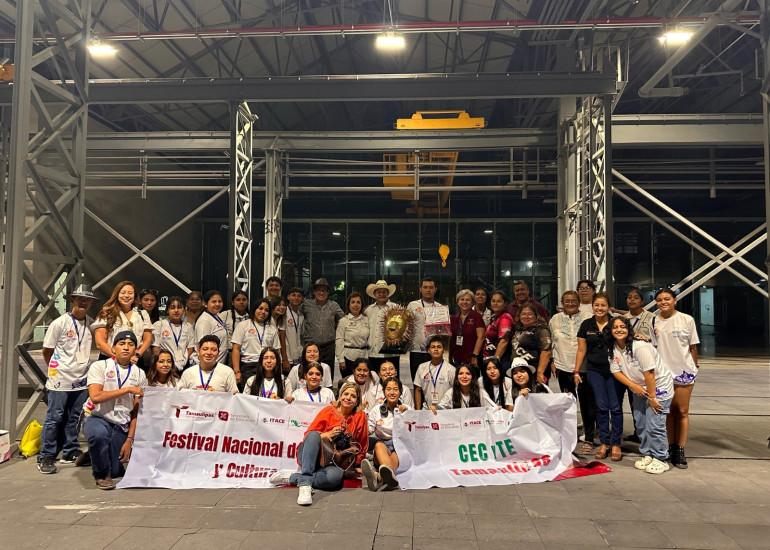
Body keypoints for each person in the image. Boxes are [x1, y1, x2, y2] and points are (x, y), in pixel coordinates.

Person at [270, 382, 368, 506]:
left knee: (335, 479)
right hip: (311, 454)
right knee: (314, 435)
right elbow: (309, 436)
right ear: (340, 396)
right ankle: (305, 486)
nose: (348, 398)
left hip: (333, 462)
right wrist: (328, 434)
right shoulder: (329, 411)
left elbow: (362, 443)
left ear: (357, 401)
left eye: (353, 396)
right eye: (346, 394)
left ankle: (293, 477)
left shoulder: (360, 416)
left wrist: (358, 464)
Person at [38, 284, 96, 474]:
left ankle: (70, 451)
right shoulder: (59, 323)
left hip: (81, 381)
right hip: (60, 380)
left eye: (87, 300)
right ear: (72, 300)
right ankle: (46, 455)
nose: (84, 302)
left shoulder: (90, 323)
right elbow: (47, 351)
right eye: (80, 299)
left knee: (75, 418)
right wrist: (57, 370)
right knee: (54, 418)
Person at [82, 331, 147, 490]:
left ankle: (94, 455)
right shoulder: (100, 366)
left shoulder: (139, 373)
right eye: (121, 344)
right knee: (98, 436)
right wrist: (127, 390)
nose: (126, 347)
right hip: (98, 417)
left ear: (135, 350)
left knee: (117, 470)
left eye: (130, 345)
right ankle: (101, 475)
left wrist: (130, 440)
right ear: (113, 348)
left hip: (121, 423)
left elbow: (136, 411)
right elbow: (95, 396)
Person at [609, 317, 674, 474]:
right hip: (639, 388)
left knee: (655, 424)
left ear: (628, 329)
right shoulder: (613, 348)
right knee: (641, 423)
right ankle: (648, 453)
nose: (619, 329)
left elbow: (650, 373)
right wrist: (634, 386)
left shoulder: (639, 346)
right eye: (615, 327)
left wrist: (652, 398)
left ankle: (661, 458)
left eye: (622, 326)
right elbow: (615, 371)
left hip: (658, 387)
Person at [653, 288, 700, 469]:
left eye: (667, 298)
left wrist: (694, 367)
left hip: (683, 372)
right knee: (668, 412)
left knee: (682, 411)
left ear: (675, 300)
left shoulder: (686, 320)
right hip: (662, 374)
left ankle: (680, 449)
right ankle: (670, 446)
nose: (663, 302)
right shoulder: (653, 321)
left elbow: (693, 347)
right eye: (659, 299)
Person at [575, 293, 623, 461]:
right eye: (597, 305)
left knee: (615, 407)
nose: (599, 308)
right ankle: (604, 442)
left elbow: (626, 337)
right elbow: (581, 350)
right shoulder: (586, 324)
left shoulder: (615, 323)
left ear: (608, 307)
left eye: (603, 305)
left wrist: (640, 336)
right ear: (592, 306)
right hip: (594, 371)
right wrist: (576, 371)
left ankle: (616, 443)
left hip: (615, 371)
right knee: (601, 407)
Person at [550, 290, 595, 453]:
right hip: (562, 366)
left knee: (587, 403)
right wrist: (553, 361)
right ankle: (569, 435)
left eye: (573, 300)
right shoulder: (555, 319)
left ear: (578, 302)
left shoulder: (588, 317)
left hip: (583, 367)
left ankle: (589, 437)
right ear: (562, 303)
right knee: (568, 403)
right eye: (567, 301)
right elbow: (552, 342)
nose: (570, 303)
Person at [361, 376, 409, 491]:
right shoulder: (376, 409)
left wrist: (405, 415)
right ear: (383, 392)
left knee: (398, 452)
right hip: (382, 447)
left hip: (400, 446)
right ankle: (389, 477)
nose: (392, 392)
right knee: (378, 445)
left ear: (400, 392)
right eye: (388, 389)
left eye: (395, 389)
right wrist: (361, 414)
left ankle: (378, 478)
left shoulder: (407, 409)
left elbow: (414, 430)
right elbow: (368, 430)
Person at [92, 281, 153, 368]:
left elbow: (148, 339)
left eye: (130, 293)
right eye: (123, 292)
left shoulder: (142, 314)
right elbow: (100, 343)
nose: (126, 295)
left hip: (135, 360)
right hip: (110, 359)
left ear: (135, 296)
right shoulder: (106, 313)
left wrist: (138, 354)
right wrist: (118, 358)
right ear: (117, 294)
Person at [231, 298, 281, 388]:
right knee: (248, 394)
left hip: (267, 367)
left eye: (266, 310)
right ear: (254, 309)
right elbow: (236, 349)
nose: (263, 312)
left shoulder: (272, 329)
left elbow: (276, 352)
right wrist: (236, 371)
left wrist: (278, 371)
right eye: (260, 308)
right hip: (248, 366)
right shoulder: (243, 325)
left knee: (265, 393)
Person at [407, 277, 449, 381]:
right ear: (420, 289)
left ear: (435, 289)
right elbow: (406, 326)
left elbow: (445, 332)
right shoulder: (412, 305)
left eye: (431, 287)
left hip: (434, 351)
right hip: (416, 350)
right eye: (425, 287)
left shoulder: (441, 308)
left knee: (434, 381)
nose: (428, 290)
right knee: (417, 381)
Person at [301, 278, 344, 367]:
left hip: (329, 347)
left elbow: (343, 320)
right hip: (311, 346)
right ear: (314, 292)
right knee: (310, 371)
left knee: (328, 371)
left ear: (328, 293)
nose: (321, 293)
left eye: (324, 290)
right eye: (318, 290)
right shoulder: (306, 304)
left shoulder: (334, 305)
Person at [511, 303, 553, 385]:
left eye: (530, 314)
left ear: (536, 316)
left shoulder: (541, 330)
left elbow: (546, 352)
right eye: (523, 314)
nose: (526, 316)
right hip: (519, 371)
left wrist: (540, 372)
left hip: (534, 371)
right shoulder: (518, 330)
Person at [364, 279, 400, 373]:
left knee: (391, 379)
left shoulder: (396, 308)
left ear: (388, 293)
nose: (381, 294)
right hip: (373, 353)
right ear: (374, 294)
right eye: (379, 292)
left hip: (391, 353)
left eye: (384, 292)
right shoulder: (368, 310)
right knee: (374, 379)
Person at [152, 296, 194, 372]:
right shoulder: (159, 325)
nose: (176, 310)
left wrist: (183, 362)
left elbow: (190, 347)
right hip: (165, 366)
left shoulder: (188, 327)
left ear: (184, 310)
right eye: (172, 307)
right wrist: (166, 363)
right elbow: (156, 348)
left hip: (184, 365)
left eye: (179, 307)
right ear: (167, 310)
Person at [413, 335, 456, 411]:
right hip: (427, 409)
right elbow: (418, 390)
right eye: (433, 347)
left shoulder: (451, 369)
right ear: (428, 350)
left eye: (439, 347)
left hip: (445, 410)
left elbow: (456, 391)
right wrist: (418, 410)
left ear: (443, 350)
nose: (436, 349)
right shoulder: (422, 367)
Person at [335, 292, 370, 379]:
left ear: (362, 305)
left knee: (363, 383)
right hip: (348, 358)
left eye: (358, 302)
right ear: (348, 305)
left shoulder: (366, 319)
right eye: (353, 302)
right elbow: (339, 340)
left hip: (364, 357)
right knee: (348, 384)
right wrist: (341, 359)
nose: (356, 305)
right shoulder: (343, 321)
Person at [190, 290, 229, 365]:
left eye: (220, 301)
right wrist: (206, 366)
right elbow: (203, 346)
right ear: (205, 304)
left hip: (215, 364)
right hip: (205, 365)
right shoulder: (204, 321)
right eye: (214, 302)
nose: (217, 304)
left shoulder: (216, 316)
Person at [450, 289, 485, 368]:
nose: (464, 302)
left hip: (472, 358)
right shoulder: (454, 318)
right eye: (462, 299)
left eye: (468, 300)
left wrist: (475, 355)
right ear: (458, 302)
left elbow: (481, 337)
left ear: (472, 302)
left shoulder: (477, 317)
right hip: (457, 357)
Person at [483, 290, 515, 371]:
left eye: (499, 301)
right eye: (493, 301)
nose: (495, 303)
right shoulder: (494, 317)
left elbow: (504, 341)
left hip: (501, 361)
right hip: (490, 357)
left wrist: (495, 362)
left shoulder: (505, 318)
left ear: (505, 304)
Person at [221, 290, 250, 361]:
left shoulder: (251, 317)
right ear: (232, 302)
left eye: (244, 300)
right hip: (229, 353)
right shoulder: (225, 315)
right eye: (238, 300)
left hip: (246, 353)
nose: (241, 302)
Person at [284, 287, 305, 373]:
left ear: (302, 299)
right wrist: (284, 358)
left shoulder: (302, 315)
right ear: (288, 297)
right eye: (293, 295)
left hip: (298, 355)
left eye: (299, 296)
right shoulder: (284, 312)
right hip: (287, 356)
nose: (296, 298)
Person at [270, 295, 291, 373]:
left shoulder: (280, 320)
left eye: (284, 305)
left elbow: (282, 341)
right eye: (278, 305)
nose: (282, 307)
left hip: (277, 355)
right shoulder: (267, 320)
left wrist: (284, 359)